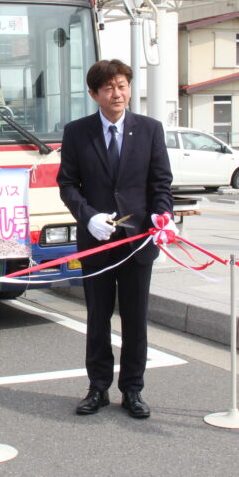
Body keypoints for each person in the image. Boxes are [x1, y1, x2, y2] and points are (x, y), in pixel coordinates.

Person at [56, 58, 176, 419]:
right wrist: (88, 216)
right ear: (94, 94)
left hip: (138, 241)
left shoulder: (150, 129)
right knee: (97, 316)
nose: (117, 93)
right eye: (108, 87)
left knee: (136, 319)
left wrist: (162, 214)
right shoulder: (78, 132)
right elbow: (67, 183)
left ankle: (133, 390)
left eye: (122, 85)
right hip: (96, 241)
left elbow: (161, 183)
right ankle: (97, 388)